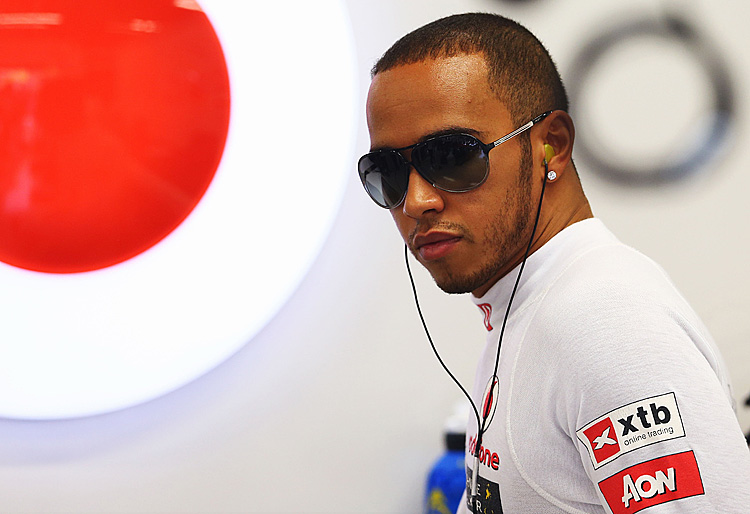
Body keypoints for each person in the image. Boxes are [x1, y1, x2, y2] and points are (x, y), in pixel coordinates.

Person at [357, 12, 750, 514]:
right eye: (387, 171)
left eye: (451, 155)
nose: (415, 201)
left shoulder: (604, 323)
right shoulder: (532, 306)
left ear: (553, 146)